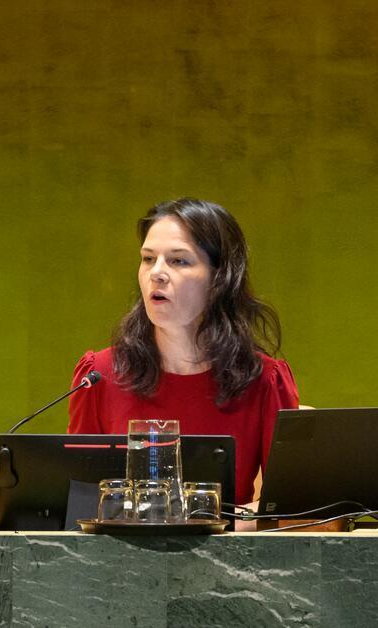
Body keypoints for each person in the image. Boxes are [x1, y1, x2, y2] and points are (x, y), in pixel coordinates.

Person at [68, 198, 299, 505]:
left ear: (219, 279)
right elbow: (78, 503)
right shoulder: (99, 376)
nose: (157, 273)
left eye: (179, 261)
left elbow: (289, 508)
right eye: (148, 259)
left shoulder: (264, 380)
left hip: (229, 551)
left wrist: (212, 526)